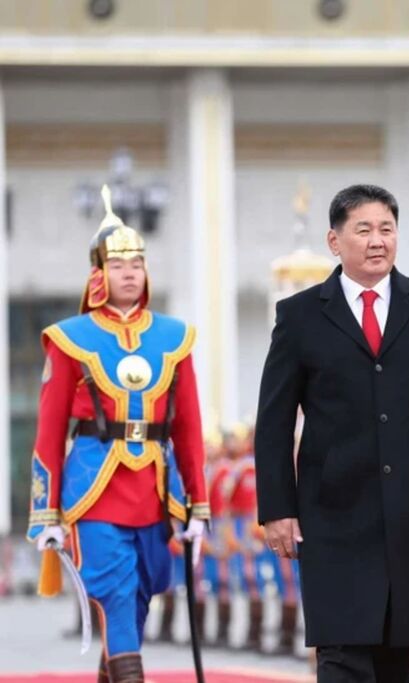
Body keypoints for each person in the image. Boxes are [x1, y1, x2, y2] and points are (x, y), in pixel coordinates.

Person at [254, 183, 409, 682]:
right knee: (341, 653)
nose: (378, 240)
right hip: (332, 514)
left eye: (387, 229)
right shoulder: (299, 316)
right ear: (334, 241)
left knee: (393, 659)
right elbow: (274, 421)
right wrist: (277, 508)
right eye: (364, 230)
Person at [27, 186, 209, 681]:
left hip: (156, 488)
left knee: (144, 589)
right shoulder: (70, 338)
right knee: (115, 590)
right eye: (118, 264)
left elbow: (189, 428)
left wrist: (199, 504)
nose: (130, 272)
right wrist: (45, 512)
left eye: (137, 264)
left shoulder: (175, 337)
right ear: (99, 274)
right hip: (93, 486)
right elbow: (49, 429)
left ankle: (113, 672)